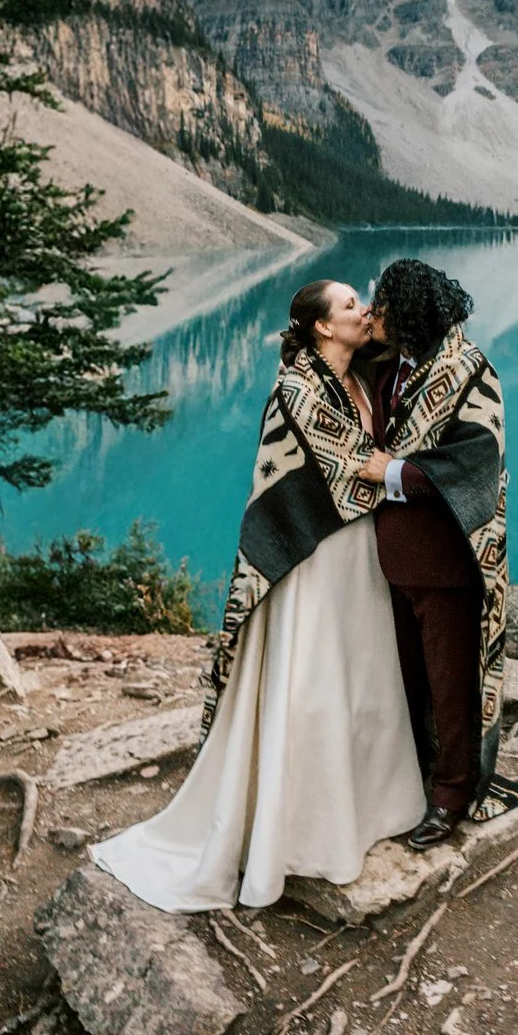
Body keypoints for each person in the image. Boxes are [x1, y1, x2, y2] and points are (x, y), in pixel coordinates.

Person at [90, 279, 426, 911]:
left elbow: (419, 357)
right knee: (316, 683)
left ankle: (367, 811)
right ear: (323, 326)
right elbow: (344, 467)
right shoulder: (297, 385)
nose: (365, 311)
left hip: (358, 554)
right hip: (314, 553)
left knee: (361, 677)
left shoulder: (361, 376)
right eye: (352, 305)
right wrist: (405, 476)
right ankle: (299, 836)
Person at [364, 258, 518, 849]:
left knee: (452, 683)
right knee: (406, 679)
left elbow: (477, 458)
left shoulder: (469, 371)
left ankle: (452, 796)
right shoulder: (391, 367)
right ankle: (414, 778)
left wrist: (395, 472)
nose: (372, 313)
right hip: (394, 562)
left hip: (448, 560)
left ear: (406, 312)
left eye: (381, 304)